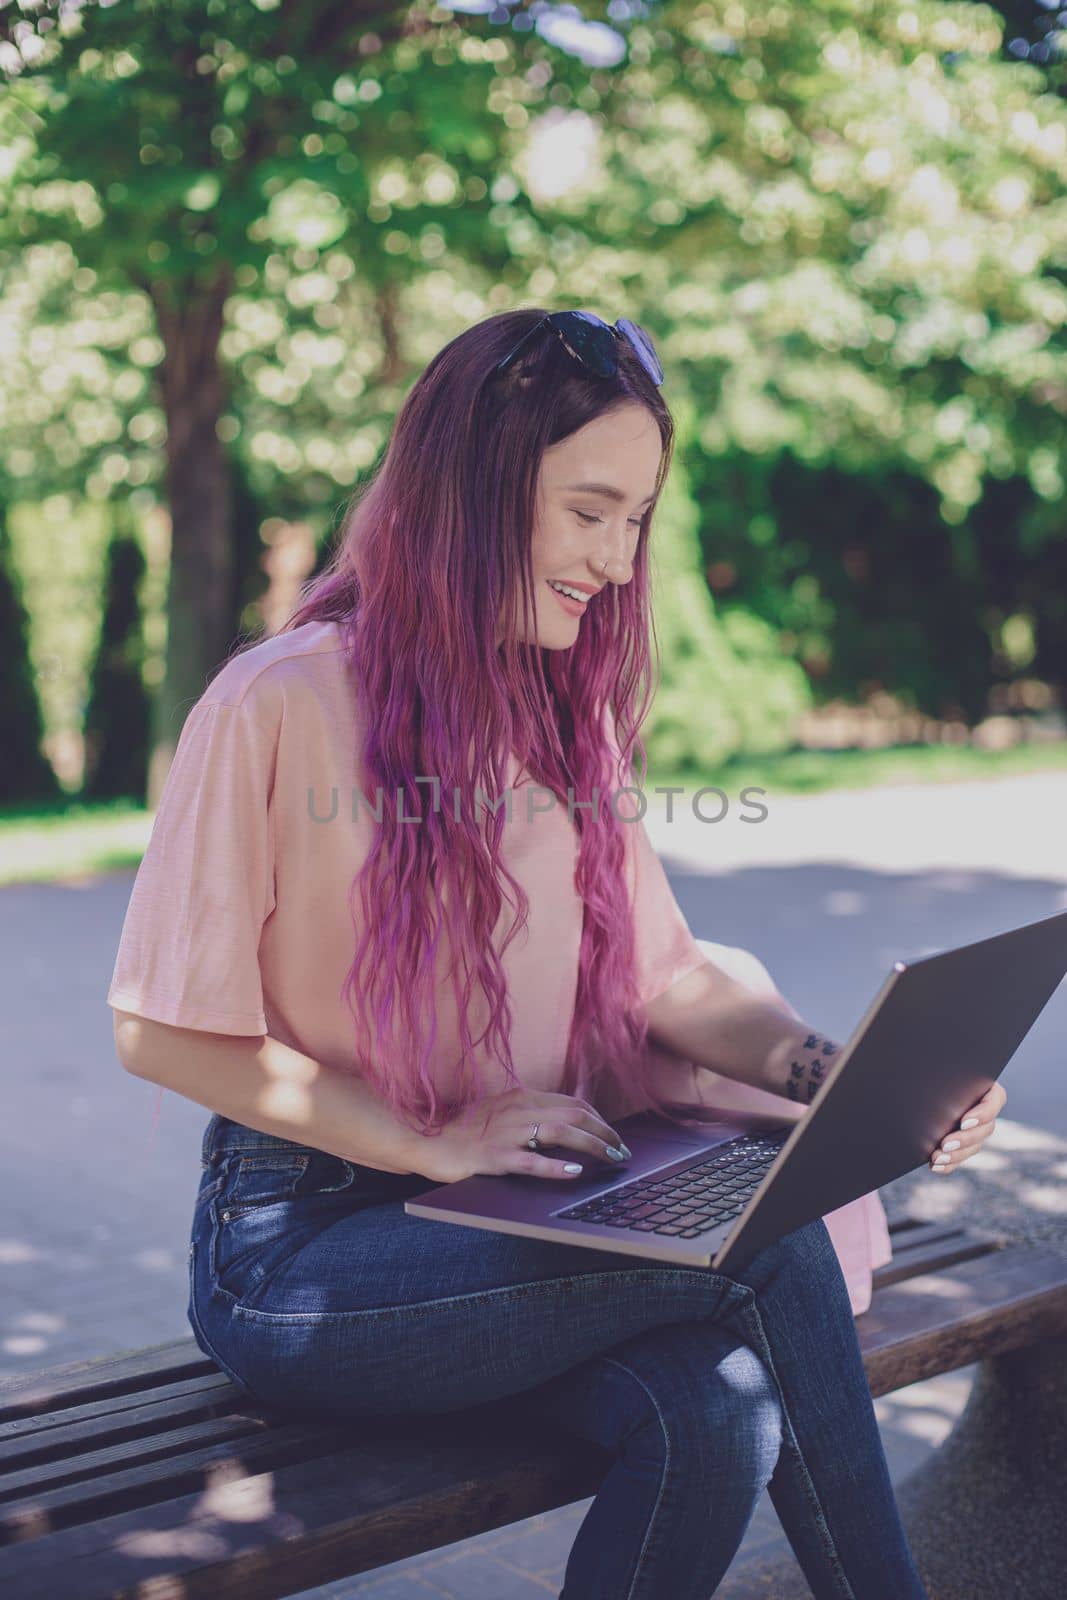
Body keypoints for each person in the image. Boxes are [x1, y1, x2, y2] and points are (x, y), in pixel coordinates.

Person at [109, 308, 1002, 1598]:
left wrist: (843, 1073)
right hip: (306, 1250)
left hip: (508, 1205)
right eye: (590, 511)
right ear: (474, 486)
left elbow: (666, 978)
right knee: (768, 1233)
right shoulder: (279, 701)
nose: (618, 559)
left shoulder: (554, 715)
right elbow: (160, 1031)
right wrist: (431, 1142)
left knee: (720, 1408)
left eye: (636, 520)